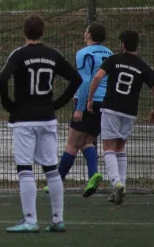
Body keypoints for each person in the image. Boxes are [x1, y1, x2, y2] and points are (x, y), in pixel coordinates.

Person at [0, 14, 82, 233]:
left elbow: (2, 79)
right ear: (43, 32)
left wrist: (9, 104)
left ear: (24, 32)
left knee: (25, 168)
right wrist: (58, 103)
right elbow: (76, 79)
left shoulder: (19, 54)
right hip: (47, 117)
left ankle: (30, 220)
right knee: (51, 169)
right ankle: (57, 219)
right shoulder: (53, 55)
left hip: (25, 119)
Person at [87, 30, 154, 205]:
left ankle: (116, 183)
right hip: (130, 111)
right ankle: (122, 186)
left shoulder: (113, 59)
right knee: (120, 147)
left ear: (123, 45)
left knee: (108, 147)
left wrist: (90, 99)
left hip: (111, 108)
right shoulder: (143, 66)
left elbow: (97, 77)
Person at [46, 24, 112, 197]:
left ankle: (56, 181)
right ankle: (93, 175)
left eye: (85, 31)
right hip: (105, 103)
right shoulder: (110, 54)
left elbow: (85, 81)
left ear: (89, 34)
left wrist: (80, 108)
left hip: (89, 102)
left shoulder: (84, 53)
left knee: (72, 143)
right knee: (87, 141)